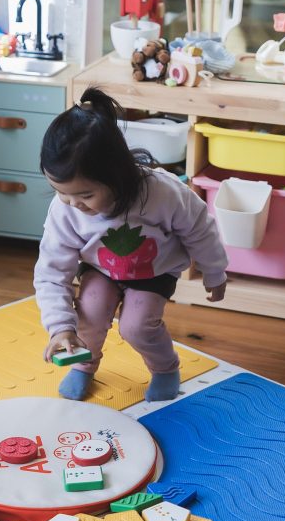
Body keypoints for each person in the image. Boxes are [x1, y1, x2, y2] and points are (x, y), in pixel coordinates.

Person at [33, 87, 228, 403]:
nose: (73, 203)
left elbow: (199, 227)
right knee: (90, 317)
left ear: (117, 175)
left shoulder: (160, 193)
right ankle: (84, 366)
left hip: (153, 272)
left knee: (136, 327)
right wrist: (59, 329)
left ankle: (165, 369)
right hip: (100, 269)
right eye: (60, 191)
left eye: (85, 196)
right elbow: (51, 272)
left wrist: (214, 271)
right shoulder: (65, 210)